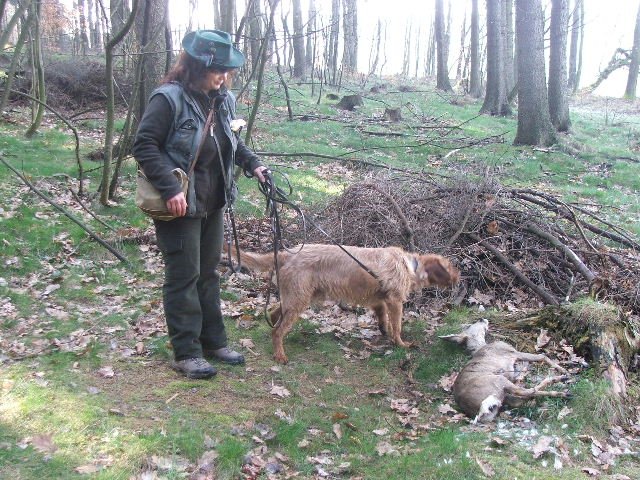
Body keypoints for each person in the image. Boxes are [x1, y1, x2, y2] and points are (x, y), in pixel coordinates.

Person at [133, 29, 268, 379]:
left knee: (208, 273)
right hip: (179, 204)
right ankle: (186, 352)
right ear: (196, 66)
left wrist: (254, 165)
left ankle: (213, 342)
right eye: (217, 70)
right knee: (184, 276)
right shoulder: (168, 99)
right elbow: (144, 144)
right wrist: (169, 188)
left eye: (227, 70)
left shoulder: (224, 100)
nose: (223, 77)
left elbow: (232, 141)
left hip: (213, 201)